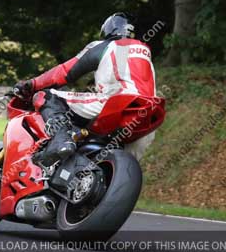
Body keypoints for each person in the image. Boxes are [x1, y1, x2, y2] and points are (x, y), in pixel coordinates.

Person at [13, 13, 156, 166]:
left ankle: (60, 140)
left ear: (109, 31)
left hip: (116, 101)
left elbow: (64, 72)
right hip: (148, 114)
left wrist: (32, 84)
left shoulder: (106, 45)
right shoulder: (145, 51)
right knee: (119, 167)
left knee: (46, 96)